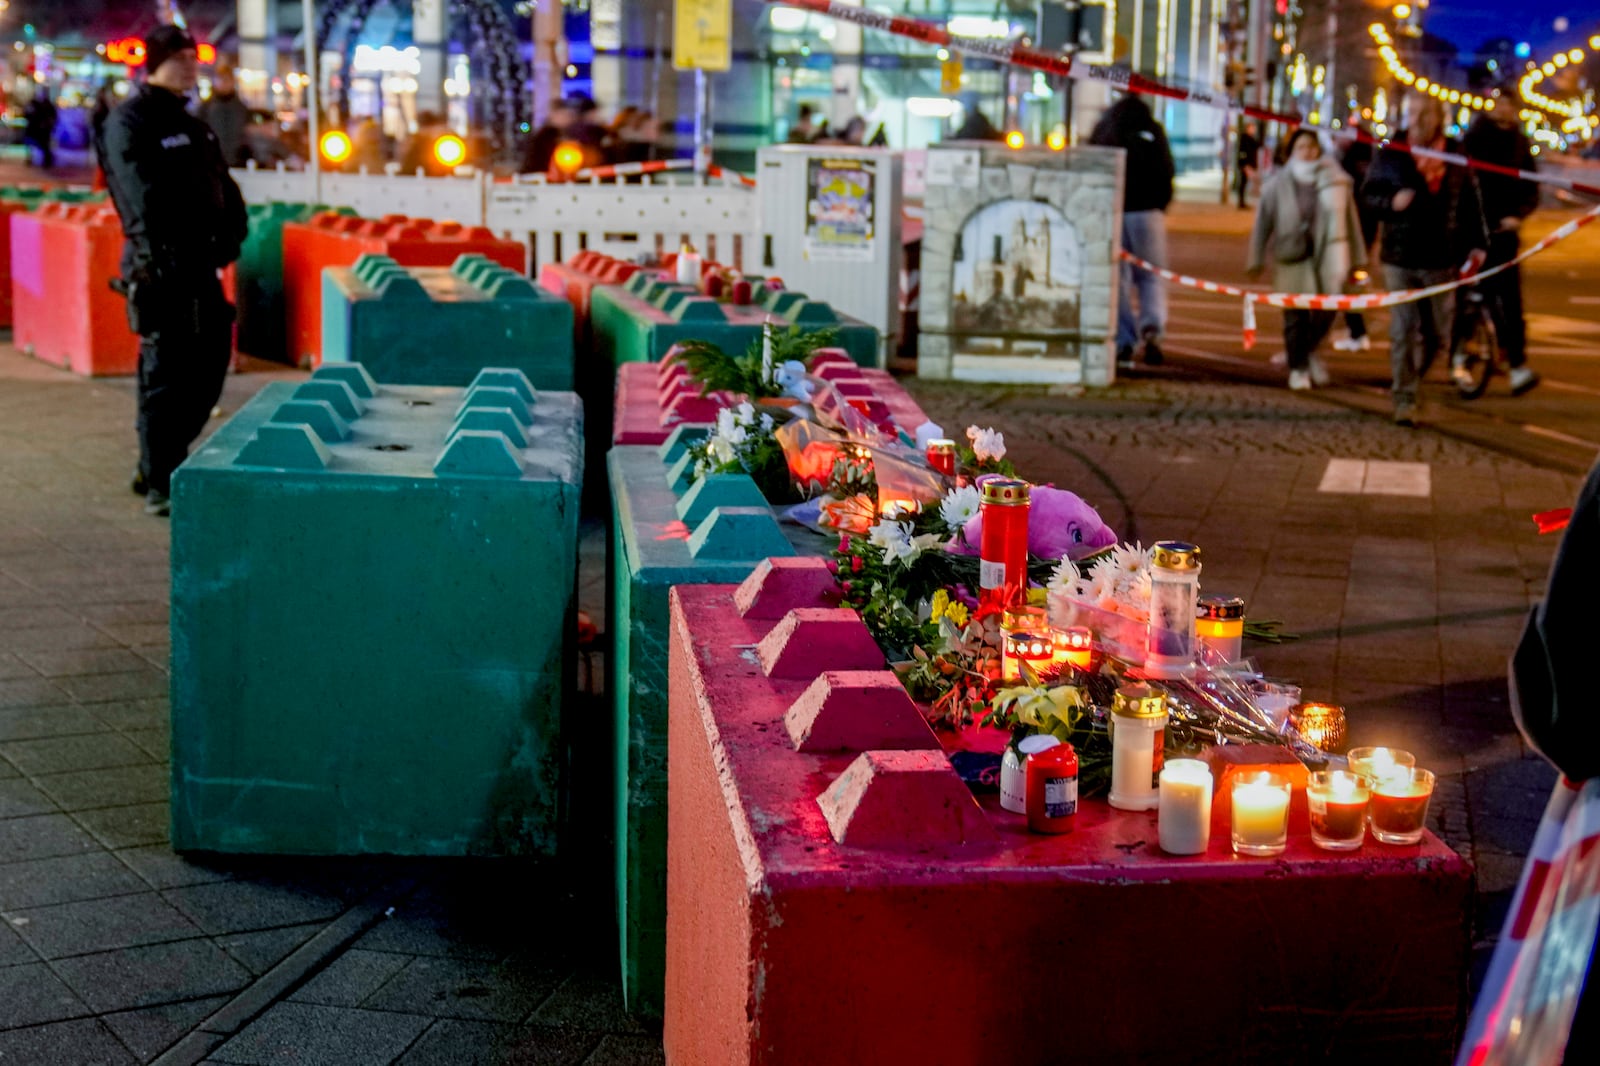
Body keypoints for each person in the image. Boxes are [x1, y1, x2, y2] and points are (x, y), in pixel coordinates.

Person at [100, 24, 247, 517]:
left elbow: (224, 187)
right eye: (179, 58)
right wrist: (160, 253)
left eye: (192, 57)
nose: (190, 65)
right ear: (155, 63)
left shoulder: (196, 123)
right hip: (159, 270)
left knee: (209, 369)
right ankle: (161, 477)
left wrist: (230, 237)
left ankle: (157, 463)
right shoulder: (131, 122)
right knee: (165, 378)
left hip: (203, 268)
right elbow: (139, 197)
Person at [1362, 97, 1488, 426]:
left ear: (1439, 117)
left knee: (1436, 334)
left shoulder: (1455, 155)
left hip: (1440, 256)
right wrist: (1392, 203)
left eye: (1424, 112)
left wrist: (1479, 244)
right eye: (1412, 112)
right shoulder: (1392, 151)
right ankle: (1404, 397)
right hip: (1399, 256)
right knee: (1403, 329)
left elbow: (1471, 201)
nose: (1417, 118)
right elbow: (1368, 195)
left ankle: (1413, 379)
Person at [1246, 128, 1366, 391]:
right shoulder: (1277, 185)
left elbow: (1351, 221)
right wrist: (1255, 258)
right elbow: (1263, 223)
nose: (1307, 152)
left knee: (1327, 312)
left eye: (1312, 147)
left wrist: (1358, 259)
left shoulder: (1337, 181)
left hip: (1328, 257)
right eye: (1301, 147)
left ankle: (1307, 352)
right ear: (1292, 152)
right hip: (1292, 256)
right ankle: (1298, 368)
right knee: (1295, 317)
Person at [1456, 99, 1540, 395]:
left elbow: (1531, 186)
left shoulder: (1520, 143)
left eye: (1509, 106)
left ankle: (1516, 363)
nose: (1504, 111)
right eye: (1500, 105)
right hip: (1475, 232)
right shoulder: (1473, 140)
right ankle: (1462, 353)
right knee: (1473, 296)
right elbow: (1466, 187)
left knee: (1511, 302)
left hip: (1507, 233)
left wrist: (1518, 215)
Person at [1089, 93, 1175, 366]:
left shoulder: (1105, 131)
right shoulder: (1152, 130)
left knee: (1119, 278)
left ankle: (1124, 341)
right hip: (1147, 212)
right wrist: (1161, 203)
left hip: (1114, 211)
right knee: (1151, 277)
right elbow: (1166, 171)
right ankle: (1153, 331)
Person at [1333, 123, 1379, 352]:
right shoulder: (1369, 167)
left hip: (1351, 235)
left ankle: (1357, 331)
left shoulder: (1348, 168)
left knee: (1345, 285)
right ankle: (1356, 331)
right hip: (1363, 234)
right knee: (1350, 284)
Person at [198, 63, 252, 168]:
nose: (224, 83)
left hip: (236, 161)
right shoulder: (206, 107)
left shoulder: (240, 108)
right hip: (212, 162)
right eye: (221, 79)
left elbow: (246, 133)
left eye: (227, 79)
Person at [24, 91, 58, 169]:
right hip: (35, 128)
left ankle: (47, 160)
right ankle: (36, 159)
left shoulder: (46, 105)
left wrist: (49, 125)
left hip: (43, 129)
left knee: (43, 145)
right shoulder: (34, 104)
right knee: (33, 144)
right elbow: (27, 115)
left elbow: (53, 117)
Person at [1235, 119, 1260, 209]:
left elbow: (1257, 147)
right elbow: (1243, 152)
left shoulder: (1252, 139)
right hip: (1245, 165)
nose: (1253, 130)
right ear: (1247, 129)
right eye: (1252, 128)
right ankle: (1241, 202)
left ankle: (1242, 202)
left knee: (1244, 183)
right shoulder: (1244, 139)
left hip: (1249, 164)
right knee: (1243, 183)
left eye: (1254, 128)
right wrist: (1245, 165)